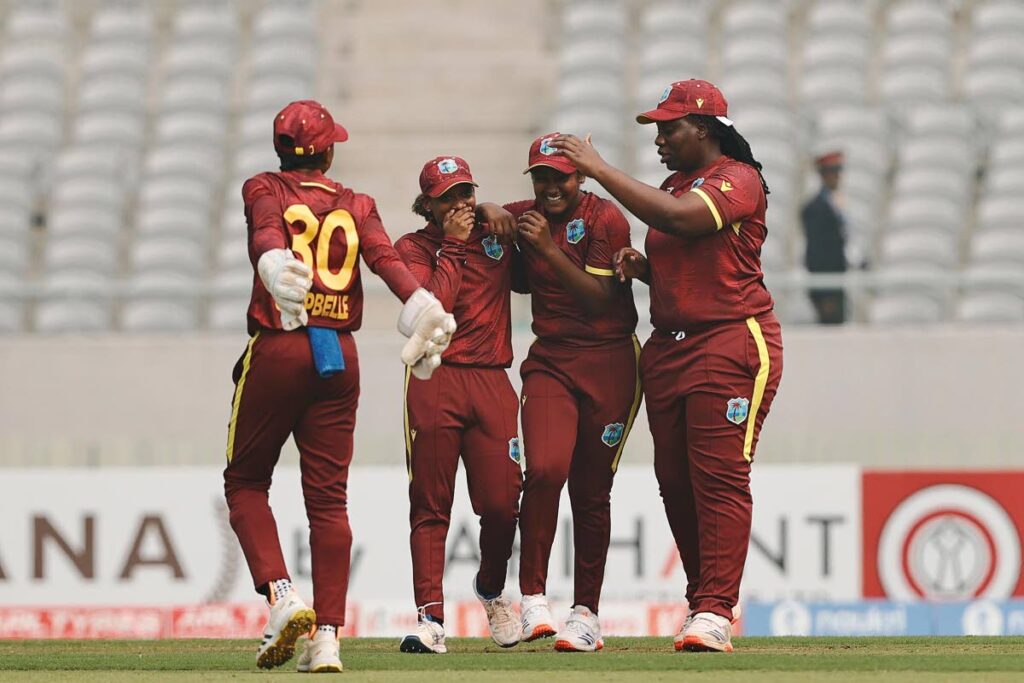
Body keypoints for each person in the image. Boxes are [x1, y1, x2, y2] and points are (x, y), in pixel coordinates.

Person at [551, 79, 784, 653]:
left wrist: (599, 170)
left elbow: (683, 221)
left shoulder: (738, 178)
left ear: (702, 129)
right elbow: (697, 256)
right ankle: (703, 599)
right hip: (672, 346)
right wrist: (646, 269)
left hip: (730, 341)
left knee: (719, 477)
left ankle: (715, 610)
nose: (659, 138)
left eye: (668, 126)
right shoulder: (678, 184)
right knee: (675, 482)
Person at [223, 100, 454, 673]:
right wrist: (423, 305)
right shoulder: (357, 203)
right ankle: (327, 638)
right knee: (328, 499)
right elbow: (384, 260)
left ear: (280, 149)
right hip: (338, 355)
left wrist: (275, 264)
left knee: (246, 482)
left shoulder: (264, 186)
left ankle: (281, 597)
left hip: (280, 343)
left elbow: (267, 234)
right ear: (328, 151)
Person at [502, 133, 641, 652]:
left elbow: (601, 301)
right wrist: (493, 214)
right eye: (540, 177)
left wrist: (541, 247)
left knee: (590, 491)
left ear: (579, 177)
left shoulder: (607, 219)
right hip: (552, 361)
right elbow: (496, 213)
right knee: (543, 469)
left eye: (559, 176)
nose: (549, 187)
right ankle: (533, 597)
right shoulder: (528, 213)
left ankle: (586, 614)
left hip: (611, 363)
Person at [394, 156, 523, 654]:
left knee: (502, 504)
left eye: (466, 192)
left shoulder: (494, 229)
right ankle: (430, 621)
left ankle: (491, 589)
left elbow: (549, 204)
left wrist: (492, 210)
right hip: (435, 376)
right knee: (430, 503)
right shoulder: (413, 248)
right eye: (448, 196)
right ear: (428, 204)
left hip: (492, 378)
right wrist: (453, 242)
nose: (460, 204)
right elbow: (433, 309)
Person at [801, 149, 848, 324]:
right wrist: (825, 291)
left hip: (837, 281)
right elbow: (817, 252)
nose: (837, 177)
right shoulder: (815, 209)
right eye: (833, 173)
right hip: (828, 287)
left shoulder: (833, 204)